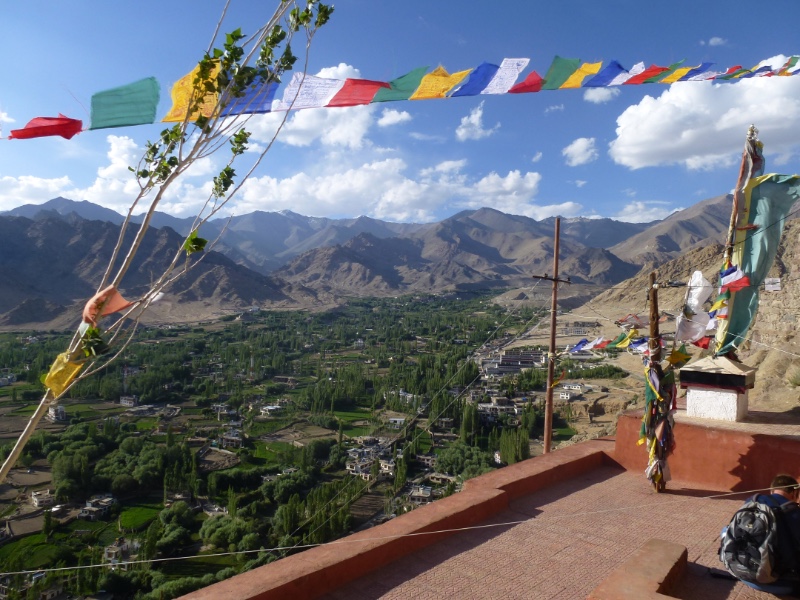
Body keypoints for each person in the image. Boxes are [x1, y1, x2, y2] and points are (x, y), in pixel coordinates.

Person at [724, 474, 800, 596]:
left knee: (726, 530)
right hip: (778, 583)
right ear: (794, 492)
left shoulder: (752, 500)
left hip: (739, 570)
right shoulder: (795, 513)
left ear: (772, 490)